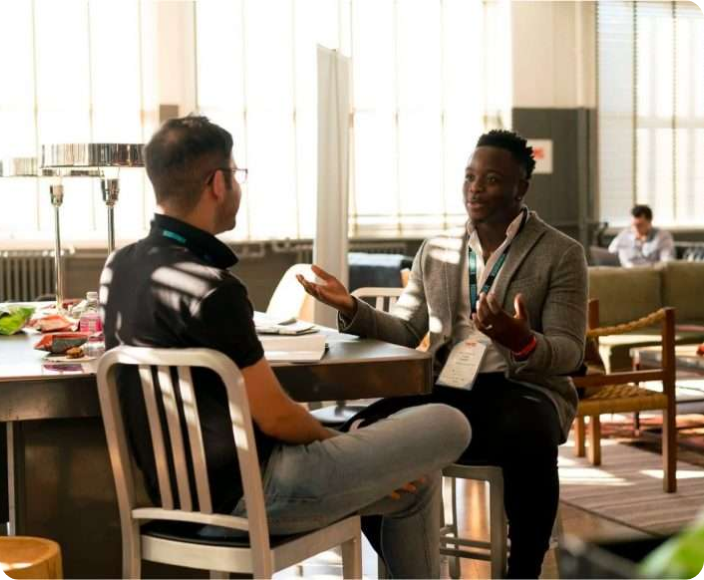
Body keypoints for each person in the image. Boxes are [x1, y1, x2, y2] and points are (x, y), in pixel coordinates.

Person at [99, 115, 471, 578]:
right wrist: (339, 443)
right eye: (236, 174)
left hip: (169, 499)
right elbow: (274, 414)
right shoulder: (215, 289)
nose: (237, 185)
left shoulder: (119, 267)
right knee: (448, 421)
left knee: (415, 484)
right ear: (217, 182)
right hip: (257, 492)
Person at [298, 129, 588, 578]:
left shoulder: (561, 253)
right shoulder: (435, 251)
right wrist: (352, 308)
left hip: (523, 389)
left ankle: (524, 569)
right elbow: (407, 329)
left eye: (491, 179)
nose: (475, 187)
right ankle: (406, 566)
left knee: (528, 430)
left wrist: (521, 340)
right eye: (470, 176)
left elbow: (569, 352)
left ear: (521, 187)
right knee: (368, 429)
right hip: (449, 385)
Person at [608, 204, 676, 267]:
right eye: (633, 225)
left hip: (648, 271)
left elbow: (667, 261)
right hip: (625, 272)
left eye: (640, 225)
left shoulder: (662, 236)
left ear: (649, 221)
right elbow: (611, 252)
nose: (636, 229)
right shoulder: (625, 234)